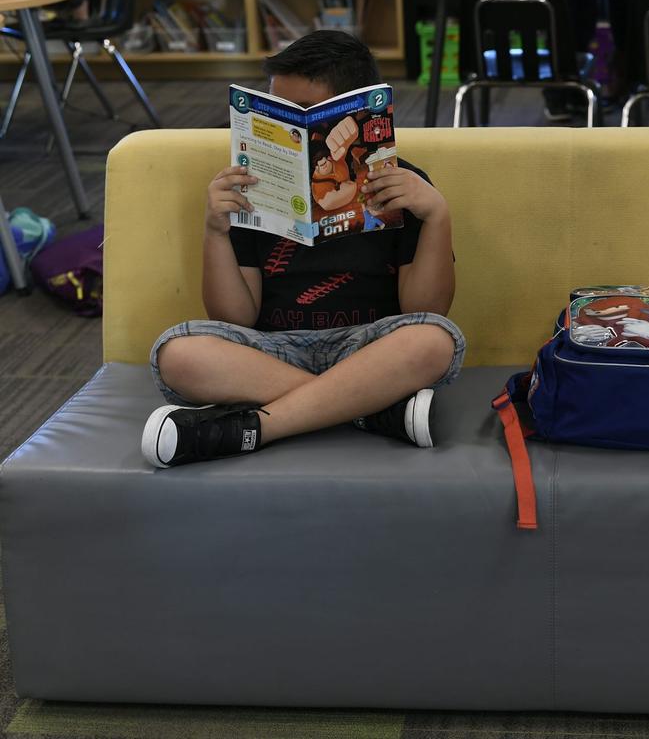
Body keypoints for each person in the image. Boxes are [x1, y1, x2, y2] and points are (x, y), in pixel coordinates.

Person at [141, 30, 464, 468]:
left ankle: (261, 425)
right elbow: (234, 317)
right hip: (273, 349)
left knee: (434, 340)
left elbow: (424, 308)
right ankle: (369, 411)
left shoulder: (401, 184)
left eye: (306, 115)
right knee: (175, 351)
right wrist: (215, 231)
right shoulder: (248, 187)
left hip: (369, 348)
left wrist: (437, 217)